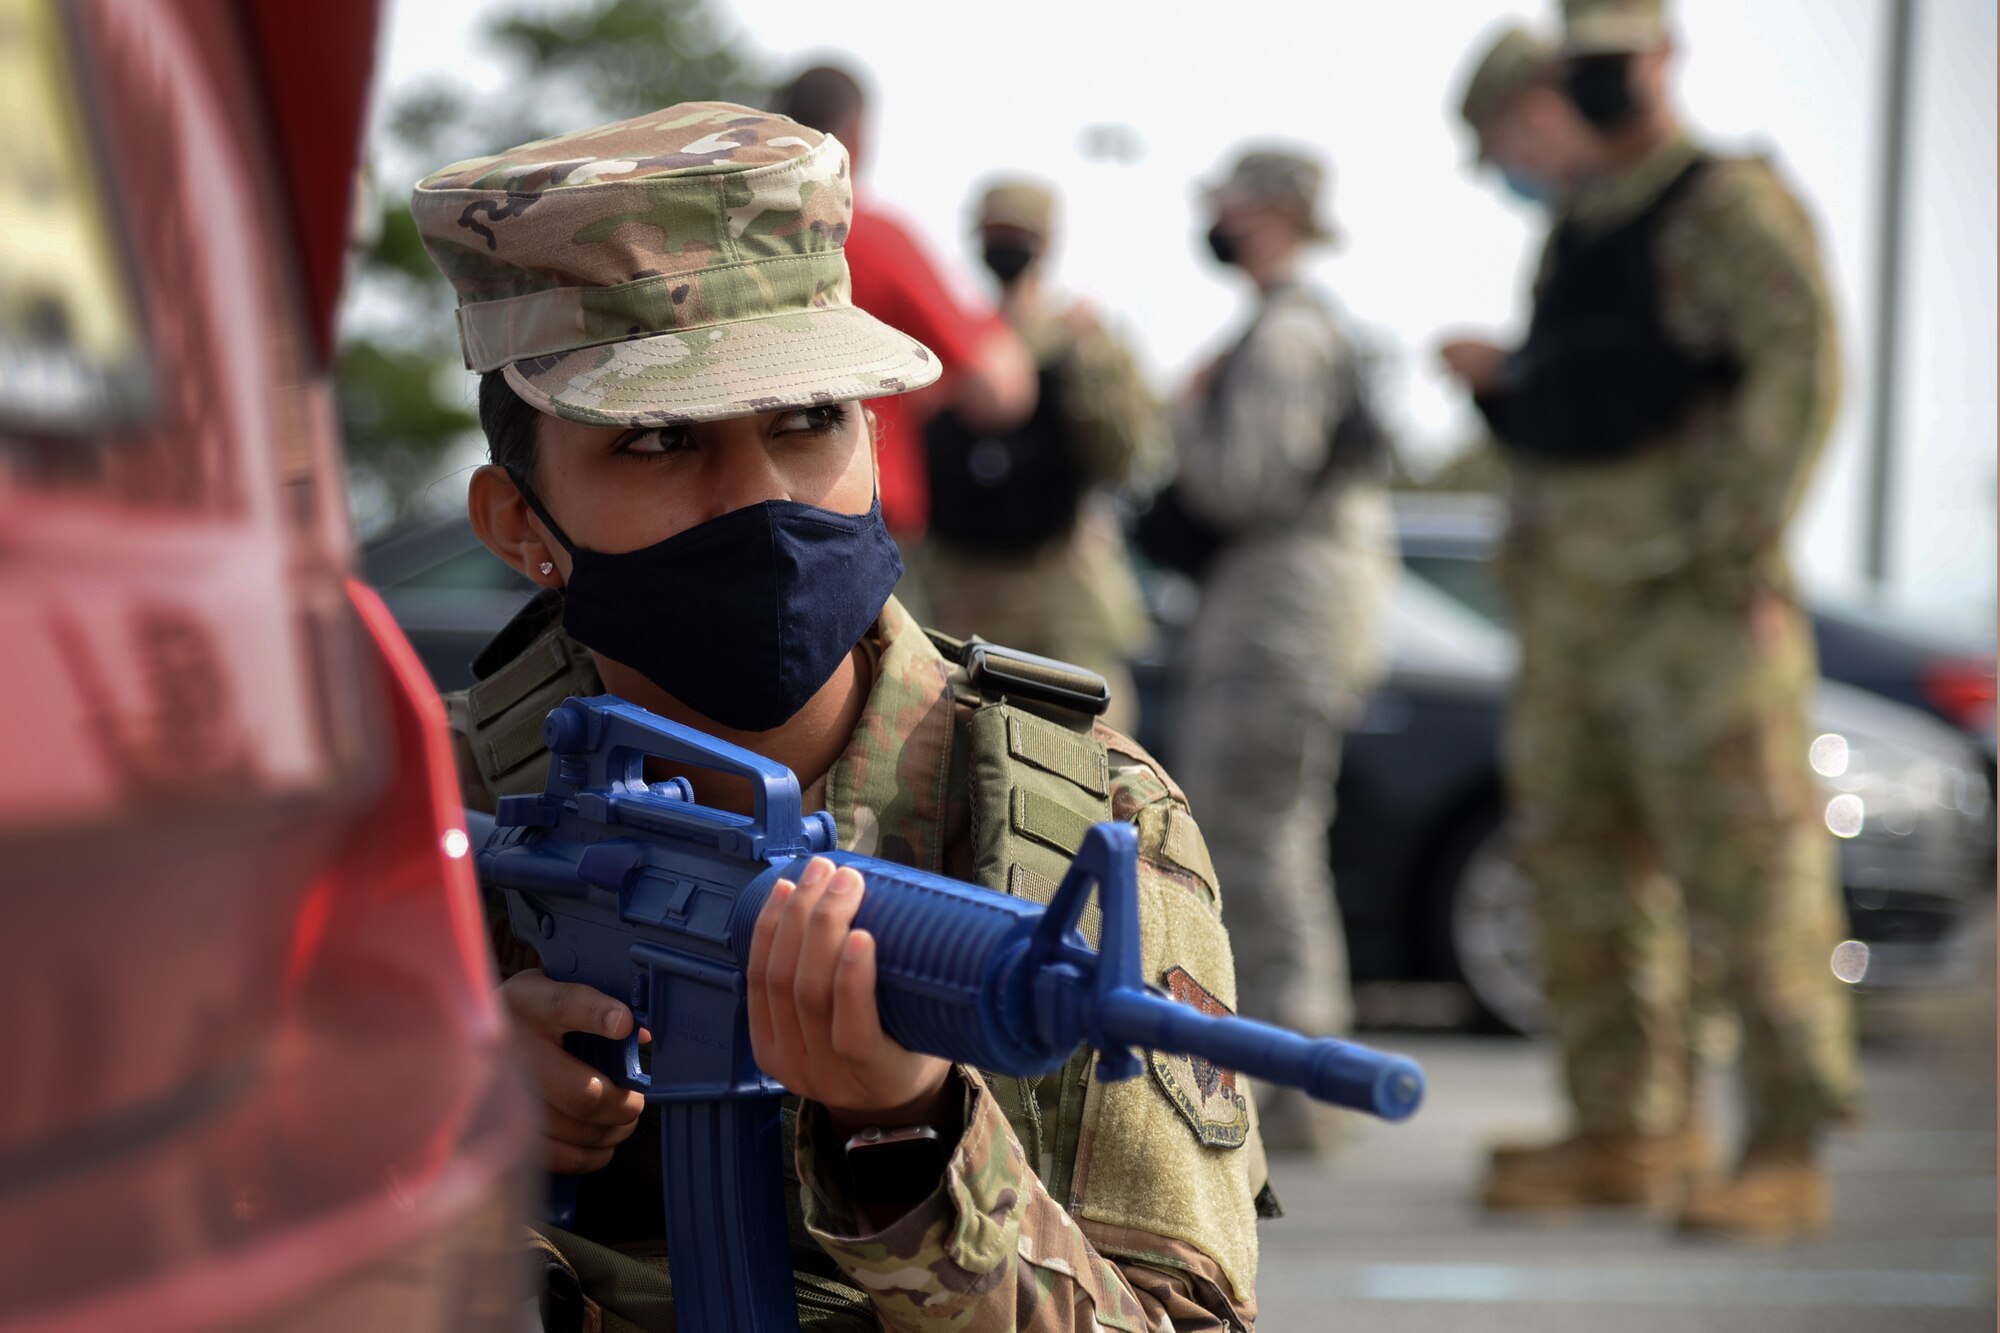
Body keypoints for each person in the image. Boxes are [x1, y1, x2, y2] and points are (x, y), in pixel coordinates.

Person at [411, 102, 1270, 1330]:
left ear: (875, 436)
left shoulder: (1078, 823)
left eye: (808, 421)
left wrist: (911, 1144)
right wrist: (413, 1123)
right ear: (514, 525)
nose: (759, 500)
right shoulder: (411, 810)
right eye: (657, 439)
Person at [1440, 0, 1858, 1241]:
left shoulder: (1723, 205)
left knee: (1749, 871)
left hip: (1691, 614)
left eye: (1612, 60)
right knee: (1581, 873)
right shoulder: (1577, 232)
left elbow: (1801, 361)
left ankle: (1786, 1142)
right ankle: (1627, 1127)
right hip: (1575, 615)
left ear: (1658, 59)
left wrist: (1728, 540)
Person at [1164, 147, 1397, 1156]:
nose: (1212, 218)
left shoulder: (1282, 339)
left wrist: (1183, 415)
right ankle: (1297, 1080)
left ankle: (1297, 1089)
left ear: (1264, 212)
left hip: (1276, 625)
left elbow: (1244, 483)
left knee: (1259, 849)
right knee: (1274, 841)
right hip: (1287, 619)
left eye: (1224, 203)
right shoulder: (1300, 329)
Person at [918, 178, 1165, 736]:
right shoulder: (948, 339)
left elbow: (1127, 456)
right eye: (995, 233)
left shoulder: (1083, 341)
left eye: (1018, 234)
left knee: (1093, 760)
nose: (1005, 247)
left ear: (1046, 242)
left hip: (1061, 589)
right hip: (962, 589)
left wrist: (1094, 370)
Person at [779, 64, 1036, 544]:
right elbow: (998, 393)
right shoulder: (875, 240)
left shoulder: (724, 249)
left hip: (749, 517)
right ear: (856, 133)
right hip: (861, 521)